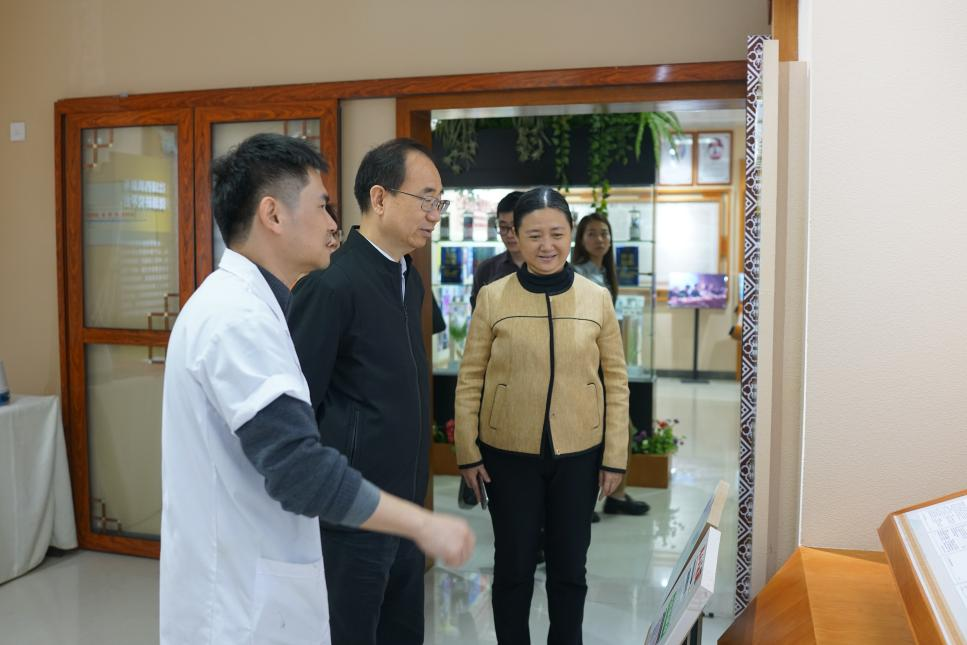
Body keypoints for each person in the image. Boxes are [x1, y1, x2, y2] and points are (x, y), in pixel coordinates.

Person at [159, 133, 474, 645]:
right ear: (273, 215)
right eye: (322, 206)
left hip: (284, 553)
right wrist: (421, 523)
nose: (333, 224)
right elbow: (299, 466)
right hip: (245, 588)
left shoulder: (255, 306)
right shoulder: (236, 320)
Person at [288, 138, 448, 645]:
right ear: (379, 198)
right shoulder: (331, 284)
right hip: (353, 515)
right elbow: (300, 408)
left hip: (407, 508)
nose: (434, 215)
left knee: (403, 633)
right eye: (425, 200)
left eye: (440, 202)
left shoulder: (410, 279)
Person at [455, 187, 630, 644]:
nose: (546, 245)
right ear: (516, 236)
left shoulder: (596, 298)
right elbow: (470, 378)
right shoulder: (493, 297)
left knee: (570, 569)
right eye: (534, 235)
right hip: (507, 453)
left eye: (556, 233)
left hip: (579, 453)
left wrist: (614, 457)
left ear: (570, 233)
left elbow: (616, 382)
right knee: (513, 567)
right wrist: (468, 452)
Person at [572, 212, 650, 519]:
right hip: (586, 365)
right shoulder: (577, 273)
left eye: (604, 233)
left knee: (620, 428)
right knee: (591, 432)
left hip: (605, 363)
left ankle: (616, 495)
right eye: (592, 234)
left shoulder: (604, 273)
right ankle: (586, 500)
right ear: (581, 239)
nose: (599, 239)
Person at [470, 190, 525, 309]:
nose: (509, 235)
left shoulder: (545, 266)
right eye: (503, 227)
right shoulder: (486, 270)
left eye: (515, 227)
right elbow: (478, 315)